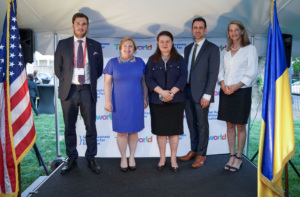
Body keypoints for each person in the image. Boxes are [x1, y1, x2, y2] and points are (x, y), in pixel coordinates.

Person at [54, 13, 103, 174]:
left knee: (91, 127)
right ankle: (72, 158)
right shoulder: (62, 44)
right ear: (73, 25)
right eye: (78, 23)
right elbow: (58, 69)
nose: (81, 27)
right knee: (69, 127)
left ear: (87, 26)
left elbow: (98, 69)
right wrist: (69, 80)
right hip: (69, 91)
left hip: (88, 90)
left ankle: (91, 158)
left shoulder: (95, 45)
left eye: (84, 24)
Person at [179, 17, 220, 168]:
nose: (198, 30)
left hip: (202, 94)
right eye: (195, 27)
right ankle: (194, 150)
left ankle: (202, 155)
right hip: (187, 91)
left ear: (205, 30)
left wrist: (207, 95)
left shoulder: (212, 48)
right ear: (192, 30)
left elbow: (213, 73)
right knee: (191, 124)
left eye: (200, 27)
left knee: (202, 125)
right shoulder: (188, 48)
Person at [218, 20, 258, 172]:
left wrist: (236, 86)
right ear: (228, 33)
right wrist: (222, 85)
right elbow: (220, 71)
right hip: (226, 91)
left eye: (236, 30)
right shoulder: (225, 52)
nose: (233, 33)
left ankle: (239, 157)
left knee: (240, 125)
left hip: (241, 91)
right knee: (229, 125)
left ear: (242, 31)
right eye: (230, 30)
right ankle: (232, 155)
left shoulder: (250, 49)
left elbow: (252, 72)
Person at [104, 37, 148, 173]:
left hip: (136, 102)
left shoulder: (140, 62)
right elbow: (107, 83)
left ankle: (132, 157)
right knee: (121, 132)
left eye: (130, 46)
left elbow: (144, 83)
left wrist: (145, 98)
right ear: (120, 47)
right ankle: (123, 158)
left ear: (134, 49)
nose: (127, 49)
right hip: (118, 102)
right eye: (125, 46)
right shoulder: (112, 63)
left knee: (134, 131)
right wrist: (107, 101)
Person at [145, 31, 187, 173]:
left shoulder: (180, 59)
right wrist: (162, 93)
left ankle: (173, 159)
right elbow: (149, 79)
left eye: (167, 41)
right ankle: (162, 158)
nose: (164, 44)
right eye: (161, 41)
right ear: (157, 43)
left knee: (174, 132)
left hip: (176, 100)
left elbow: (183, 78)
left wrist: (171, 93)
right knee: (161, 132)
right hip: (157, 101)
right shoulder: (152, 60)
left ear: (172, 42)